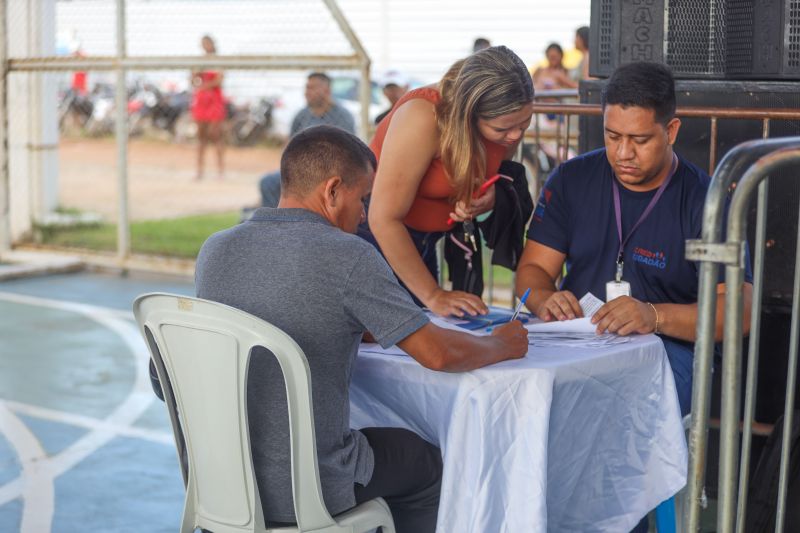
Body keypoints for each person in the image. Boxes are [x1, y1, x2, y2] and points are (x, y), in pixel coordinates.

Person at [193, 125, 528, 532]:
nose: (366, 214)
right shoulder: (349, 255)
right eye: (363, 198)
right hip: (311, 486)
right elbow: (437, 354)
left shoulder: (215, 250)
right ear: (333, 190)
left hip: (221, 480)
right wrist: (501, 345)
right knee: (428, 464)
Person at [516, 61, 753, 420]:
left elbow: (738, 311)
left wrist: (653, 316)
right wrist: (547, 300)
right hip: (579, 340)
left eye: (640, 140)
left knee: (603, 413)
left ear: (671, 131)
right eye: (613, 137)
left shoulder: (707, 200)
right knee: (521, 395)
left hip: (668, 352)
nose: (624, 153)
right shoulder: (571, 178)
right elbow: (532, 270)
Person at [366, 45, 535, 317]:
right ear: (468, 114)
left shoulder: (505, 124)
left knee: (430, 325)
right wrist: (433, 295)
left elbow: (490, 171)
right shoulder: (423, 117)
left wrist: (486, 197)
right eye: (502, 129)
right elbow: (383, 218)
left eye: (524, 124)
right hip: (377, 244)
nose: (515, 136)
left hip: (425, 241)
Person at [259, 72, 356, 207]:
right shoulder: (302, 115)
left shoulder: (343, 116)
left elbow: (348, 153)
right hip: (300, 171)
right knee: (268, 182)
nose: (307, 92)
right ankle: (274, 225)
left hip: (330, 172)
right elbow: (289, 146)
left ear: (326, 90)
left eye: (312, 88)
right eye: (307, 88)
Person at [191, 35, 226, 181]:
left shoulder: (217, 61)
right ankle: (199, 170)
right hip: (202, 101)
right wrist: (195, 76)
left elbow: (219, 80)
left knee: (215, 135)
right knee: (201, 137)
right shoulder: (200, 61)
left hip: (214, 101)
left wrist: (204, 85)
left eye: (207, 43)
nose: (205, 46)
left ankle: (220, 170)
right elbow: (193, 79)